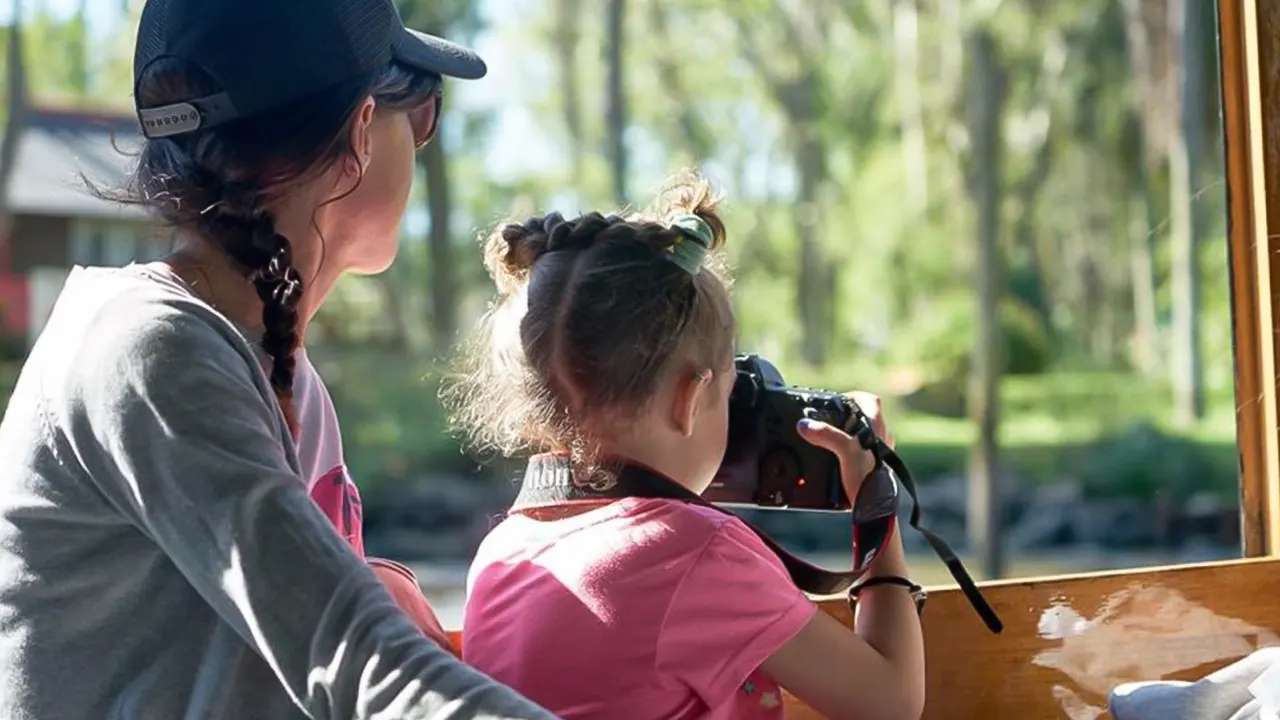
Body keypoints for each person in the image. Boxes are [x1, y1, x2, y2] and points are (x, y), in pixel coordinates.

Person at [0, 0, 558, 718]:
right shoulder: (150, 351)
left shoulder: (268, 368)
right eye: (420, 115)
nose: (419, 144)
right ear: (360, 129)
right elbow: (357, 663)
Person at [446, 174, 927, 720]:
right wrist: (874, 500)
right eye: (730, 393)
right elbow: (891, 703)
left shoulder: (503, 551)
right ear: (691, 397)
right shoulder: (693, 552)